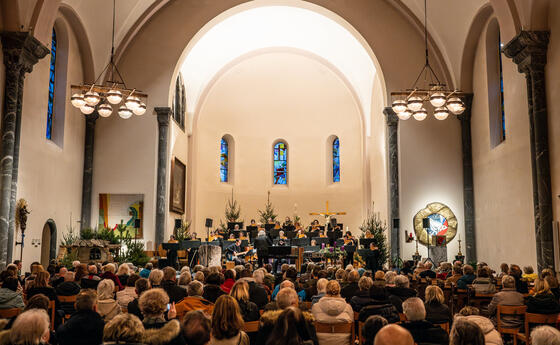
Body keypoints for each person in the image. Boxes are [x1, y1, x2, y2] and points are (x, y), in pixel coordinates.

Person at [312, 280, 354, 345]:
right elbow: (352, 327)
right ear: (339, 291)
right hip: (343, 342)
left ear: (326, 291)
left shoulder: (316, 307)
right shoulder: (348, 307)